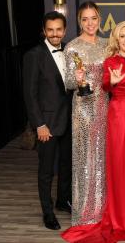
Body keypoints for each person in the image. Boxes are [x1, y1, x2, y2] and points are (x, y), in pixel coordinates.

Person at [62, 21, 125, 242]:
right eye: (122, 36)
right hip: (119, 115)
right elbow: (105, 84)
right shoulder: (111, 61)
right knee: (124, 165)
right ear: (117, 39)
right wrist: (113, 82)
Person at [23, 11, 72, 230]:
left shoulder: (70, 50)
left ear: (64, 30)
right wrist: (39, 124)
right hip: (47, 125)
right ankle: (48, 212)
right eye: (50, 30)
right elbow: (29, 94)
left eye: (59, 29)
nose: (55, 34)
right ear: (44, 31)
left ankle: (63, 201)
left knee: (66, 166)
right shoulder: (34, 55)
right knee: (46, 170)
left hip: (69, 120)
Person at [63, 1, 109, 227]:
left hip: (104, 104)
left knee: (103, 158)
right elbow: (68, 82)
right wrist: (78, 78)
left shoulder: (107, 44)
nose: (90, 23)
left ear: (99, 19)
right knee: (84, 159)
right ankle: (85, 211)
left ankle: (103, 209)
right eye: (85, 19)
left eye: (94, 18)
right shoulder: (72, 47)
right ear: (79, 21)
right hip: (82, 108)